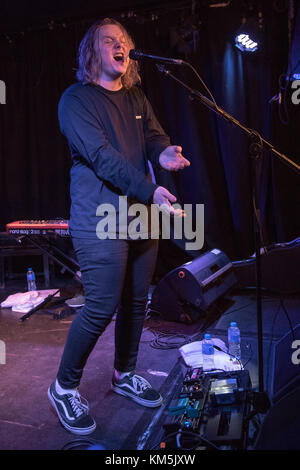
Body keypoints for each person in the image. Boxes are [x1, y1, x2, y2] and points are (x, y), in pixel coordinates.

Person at [48, 17, 190, 435]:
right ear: (93, 51)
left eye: (125, 41)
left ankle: (124, 373)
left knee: (135, 301)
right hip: (100, 217)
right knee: (101, 305)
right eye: (109, 40)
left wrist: (164, 154)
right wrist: (151, 191)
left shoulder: (136, 97)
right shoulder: (76, 100)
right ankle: (63, 386)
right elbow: (102, 156)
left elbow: (154, 138)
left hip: (140, 216)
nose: (120, 45)